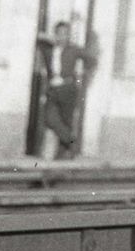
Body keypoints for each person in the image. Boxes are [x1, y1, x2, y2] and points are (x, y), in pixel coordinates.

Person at [40, 20, 94, 159]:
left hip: (68, 88)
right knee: (49, 119)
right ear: (55, 34)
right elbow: (38, 37)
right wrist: (48, 38)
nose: (62, 37)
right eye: (59, 34)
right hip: (53, 89)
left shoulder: (74, 49)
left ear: (69, 35)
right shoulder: (49, 49)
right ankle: (72, 143)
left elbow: (91, 60)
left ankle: (61, 158)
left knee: (66, 122)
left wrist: (84, 77)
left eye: (65, 34)